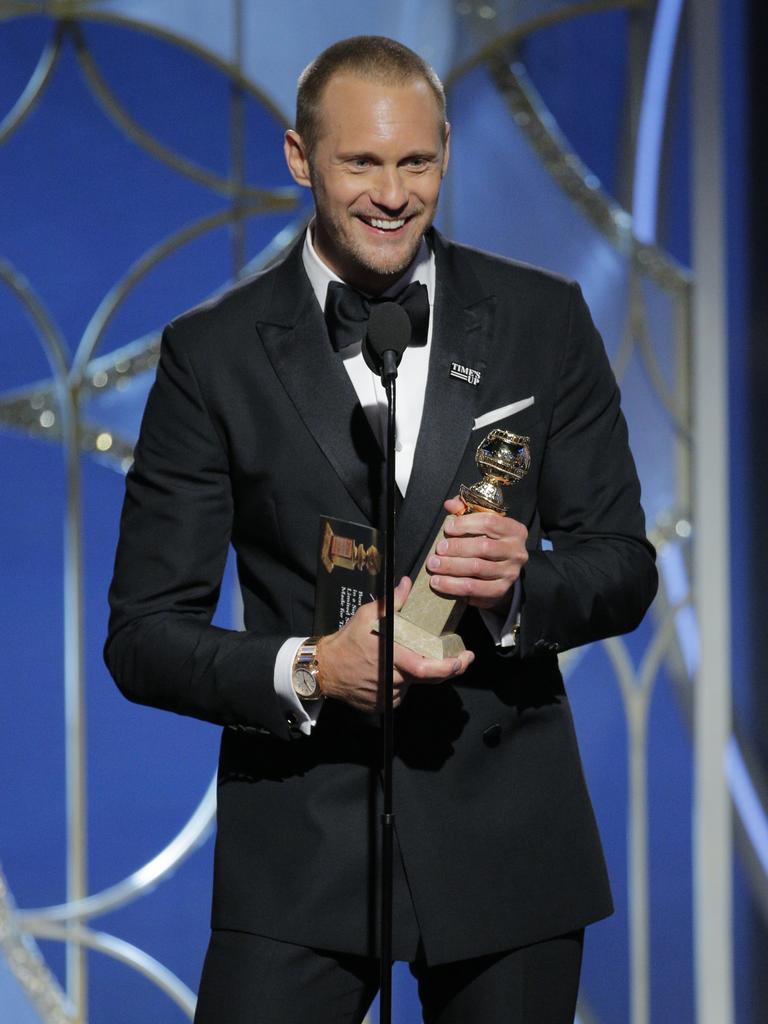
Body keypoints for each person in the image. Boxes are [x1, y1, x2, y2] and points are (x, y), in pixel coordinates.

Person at [105, 35, 657, 1024]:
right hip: (299, 849)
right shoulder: (212, 356)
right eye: (362, 161)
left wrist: (521, 588)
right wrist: (313, 667)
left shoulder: (543, 320)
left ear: (446, 152)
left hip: (508, 843)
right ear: (298, 156)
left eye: (417, 162)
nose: (393, 194)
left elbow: (623, 567)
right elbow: (143, 634)